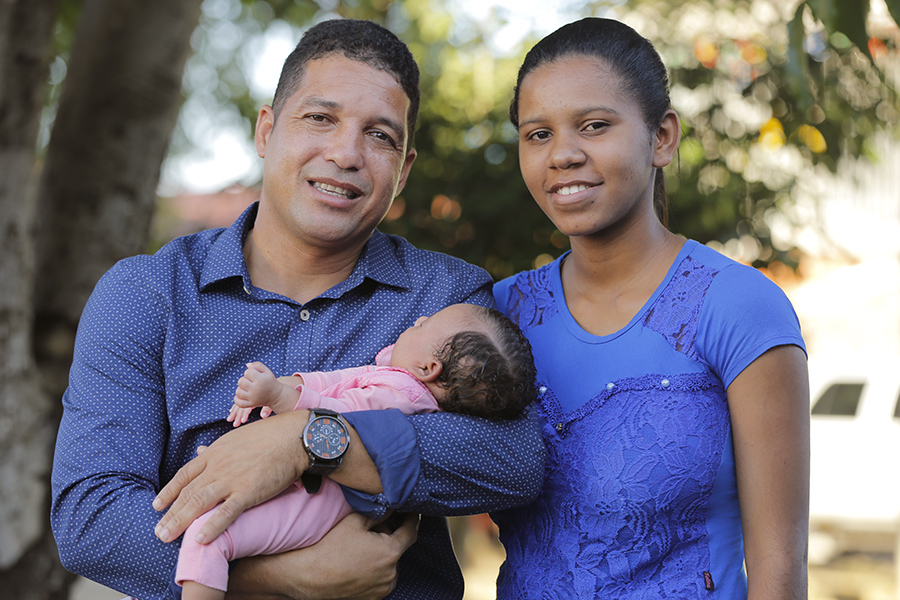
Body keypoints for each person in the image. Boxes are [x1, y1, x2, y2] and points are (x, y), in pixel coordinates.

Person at [51, 18, 545, 600]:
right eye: (320, 118)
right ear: (266, 130)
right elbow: (92, 515)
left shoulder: (443, 298)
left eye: (380, 136)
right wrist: (278, 582)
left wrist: (306, 440)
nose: (346, 153)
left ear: (403, 170)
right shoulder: (147, 293)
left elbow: (511, 459)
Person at [487, 17, 810, 599]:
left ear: (662, 137)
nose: (562, 154)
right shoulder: (498, 313)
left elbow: (778, 569)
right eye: (537, 134)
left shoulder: (738, 307)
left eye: (594, 126)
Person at [177, 303, 536, 600]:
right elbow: (339, 380)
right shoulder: (399, 377)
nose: (417, 318)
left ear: (429, 368)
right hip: (316, 494)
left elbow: (342, 412)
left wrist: (280, 397)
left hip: (318, 500)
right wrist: (295, 384)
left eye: (425, 324)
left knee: (207, 537)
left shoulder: (400, 395)